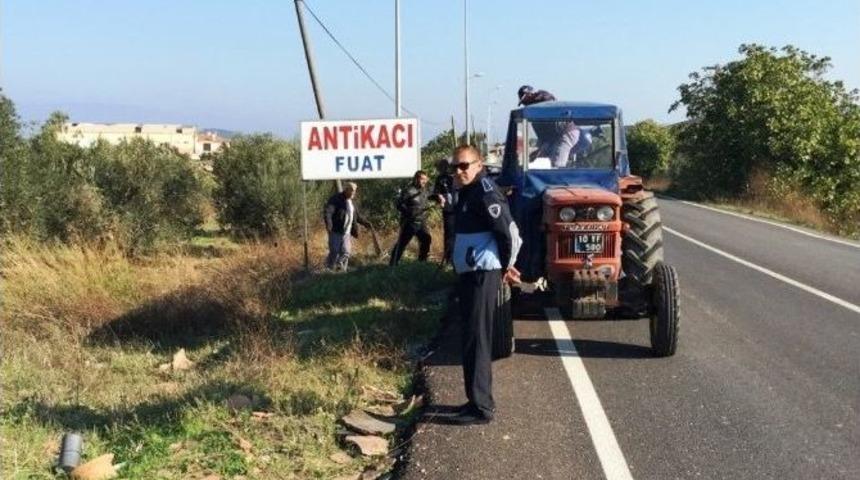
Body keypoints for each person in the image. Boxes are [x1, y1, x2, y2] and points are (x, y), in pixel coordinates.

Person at [448, 145, 521, 425]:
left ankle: (482, 408)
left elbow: (508, 232)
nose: (459, 171)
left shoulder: (486, 192)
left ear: (479, 165)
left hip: (482, 274)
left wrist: (505, 266)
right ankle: (473, 400)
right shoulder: (467, 191)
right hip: (470, 273)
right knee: (470, 337)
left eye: (464, 166)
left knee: (478, 339)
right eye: (455, 166)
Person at [517, 85, 580, 168]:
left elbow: (550, 100)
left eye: (525, 101)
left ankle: (557, 177)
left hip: (566, 132)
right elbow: (543, 138)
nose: (525, 104)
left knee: (556, 165)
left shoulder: (543, 98)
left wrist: (538, 100)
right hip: (554, 136)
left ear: (530, 95)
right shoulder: (535, 118)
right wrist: (539, 153)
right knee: (539, 160)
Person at [323, 182, 370, 272]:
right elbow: (328, 212)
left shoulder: (352, 203)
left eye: (355, 191)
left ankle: (340, 270)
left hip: (346, 233)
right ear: (346, 190)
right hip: (335, 231)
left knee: (346, 252)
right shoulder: (335, 199)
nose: (354, 193)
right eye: (352, 191)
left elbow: (357, 217)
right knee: (334, 251)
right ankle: (328, 269)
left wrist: (366, 223)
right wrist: (329, 224)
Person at [389, 170, 432, 266]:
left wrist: (439, 198)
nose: (424, 181)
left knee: (426, 239)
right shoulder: (408, 190)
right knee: (402, 243)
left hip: (421, 222)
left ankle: (422, 262)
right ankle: (393, 264)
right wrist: (409, 212)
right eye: (422, 179)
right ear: (416, 179)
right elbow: (399, 204)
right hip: (409, 222)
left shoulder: (424, 191)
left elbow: (431, 196)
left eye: (425, 179)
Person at [432, 157, 457, 265]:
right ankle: (449, 260)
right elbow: (435, 193)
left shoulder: (458, 175)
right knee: (450, 235)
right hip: (449, 210)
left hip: (461, 209)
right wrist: (439, 198)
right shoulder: (441, 178)